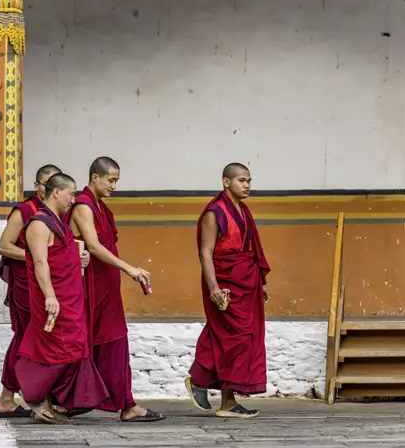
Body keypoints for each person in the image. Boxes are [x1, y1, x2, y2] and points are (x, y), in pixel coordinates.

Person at [68, 156, 165, 423]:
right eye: (111, 180)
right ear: (94, 177)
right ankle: (80, 399)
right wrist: (129, 268)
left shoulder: (101, 207)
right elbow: (95, 246)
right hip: (88, 286)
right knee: (87, 341)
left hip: (106, 285)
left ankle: (119, 402)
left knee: (113, 343)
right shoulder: (83, 206)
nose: (114, 186)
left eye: (117, 181)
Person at [16, 173, 106, 424]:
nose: (73, 199)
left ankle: (48, 401)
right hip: (53, 299)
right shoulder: (39, 224)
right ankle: (34, 396)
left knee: (73, 346)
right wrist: (50, 296)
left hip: (70, 297)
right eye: (71, 193)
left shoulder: (59, 221)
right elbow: (40, 261)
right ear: (56, 192)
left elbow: (61, 255)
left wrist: (80, 259)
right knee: (55, 348)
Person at [184, 163, 271, 419]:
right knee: (234, 337)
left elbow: (252, 249)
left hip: (246, 282)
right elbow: (205, 252)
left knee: (227, 337)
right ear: (226, 182)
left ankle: (224, 399)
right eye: (242, 180)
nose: (247, 185)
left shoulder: (243, 211)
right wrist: (213, 287)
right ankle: (204, 384)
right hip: (224, 283)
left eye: (249, 181)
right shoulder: (215, 212)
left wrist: (261, 282)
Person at [0, 164, 62, 418]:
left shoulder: (56, 212)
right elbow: (4, 246)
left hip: (49, 283)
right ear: (37, 187)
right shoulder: (25, 211)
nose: (52, 190)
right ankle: (33, 398)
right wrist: (35, 255)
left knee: (34, 339)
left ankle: (10, 397)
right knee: (29, 340)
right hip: (26, 284)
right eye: (47, 184)